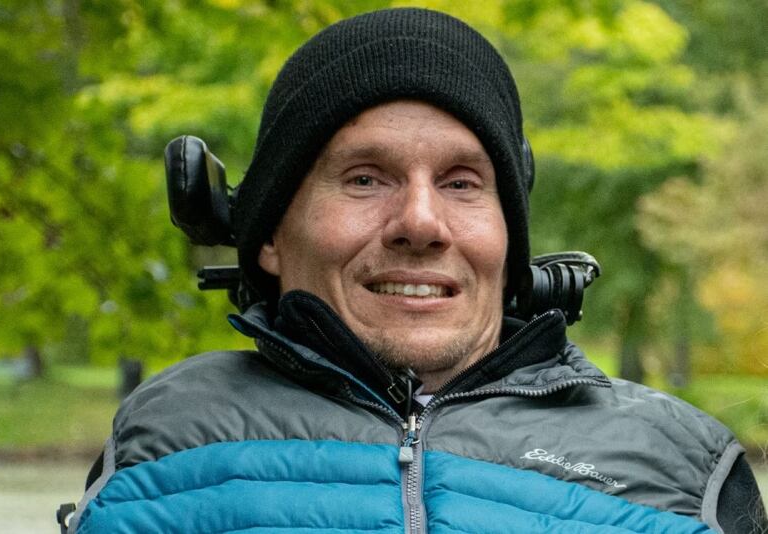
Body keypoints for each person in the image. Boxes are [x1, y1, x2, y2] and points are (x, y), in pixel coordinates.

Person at [64, 8, 767, 534]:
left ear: (509, 239)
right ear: (270, 234)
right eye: (366, 179)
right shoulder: (162, 442)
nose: (422, 224)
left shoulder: (684, 471)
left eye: (463, 182)